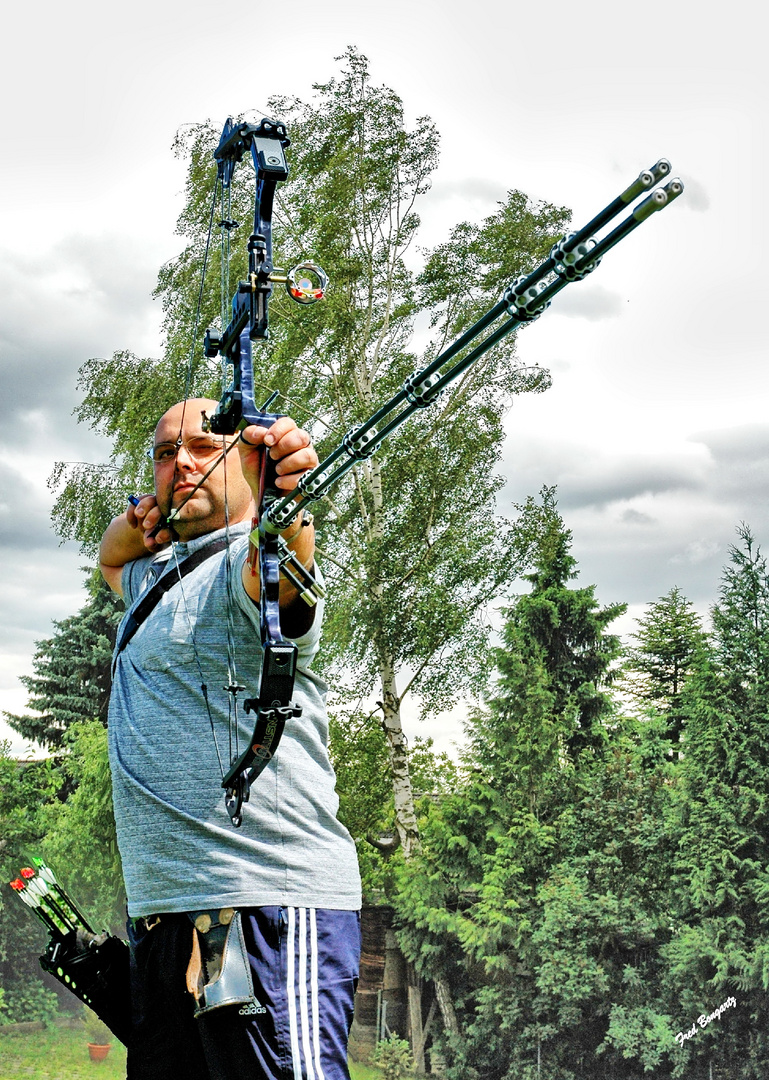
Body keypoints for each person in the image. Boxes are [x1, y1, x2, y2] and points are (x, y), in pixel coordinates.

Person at [100, 398, 362, 1080]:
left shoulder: (241, 570)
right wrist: (138, 522)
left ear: (246, 465)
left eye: (201, 447)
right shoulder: (157, 578)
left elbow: (279, 579)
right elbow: (111, 561)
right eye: (164, 454)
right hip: (165, 921)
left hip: (261, 909)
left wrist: (282, 505)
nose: (179, 463)